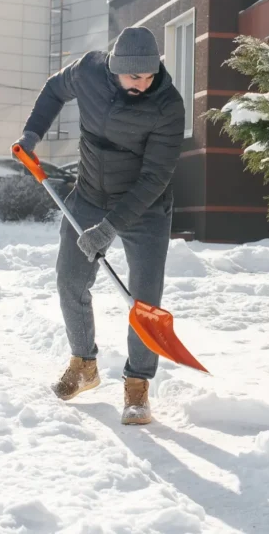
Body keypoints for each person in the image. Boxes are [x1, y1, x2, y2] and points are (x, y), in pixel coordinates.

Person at [13, 26, 184, 426]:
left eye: (149, 76)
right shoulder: (89, 71)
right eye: (133, 77)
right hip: (89, 194)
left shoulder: (168, 105)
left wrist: (110, 229)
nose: (142, 84)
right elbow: (55, 89)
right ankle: (84, 363)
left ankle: (138, 384)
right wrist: (32, 134)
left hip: (144, 206)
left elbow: (154, 177)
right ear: (114, 67)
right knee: (70, 279)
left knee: (144, 298)